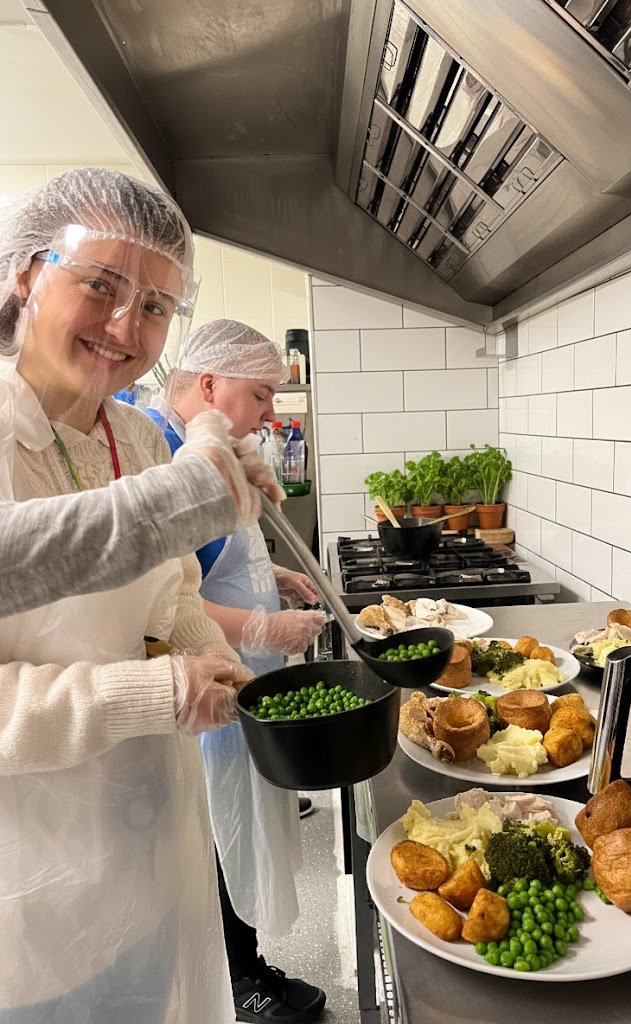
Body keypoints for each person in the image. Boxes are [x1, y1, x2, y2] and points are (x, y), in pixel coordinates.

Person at [0, 167, 250, 1023]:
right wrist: (153, 693)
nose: (123, 326)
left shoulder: (137, 435)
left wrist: (199, 651)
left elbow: (171, 588)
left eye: (154, 307)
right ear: (28, 273)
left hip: (147, 852)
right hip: (31, 898)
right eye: (100, 286)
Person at [147, 319, 326, 1024]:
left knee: (232, 834)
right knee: (213, 839)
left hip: (234, 686)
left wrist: (269, 575)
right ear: (210, 385)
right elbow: (167, 601)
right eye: (259, 395)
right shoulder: (162, 454)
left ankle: (246, 966)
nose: (269, 415)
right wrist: (259, 627)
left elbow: (209, 559)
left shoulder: (206, 447)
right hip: (199, 692)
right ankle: (237, 985)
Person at [0, 408, 284, 617]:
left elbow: (177, 587)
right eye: (259, 396)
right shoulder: (8, 427)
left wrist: (207, 652)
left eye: (157, 321)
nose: (124, 332)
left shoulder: (138, 431)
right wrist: (182, 496)